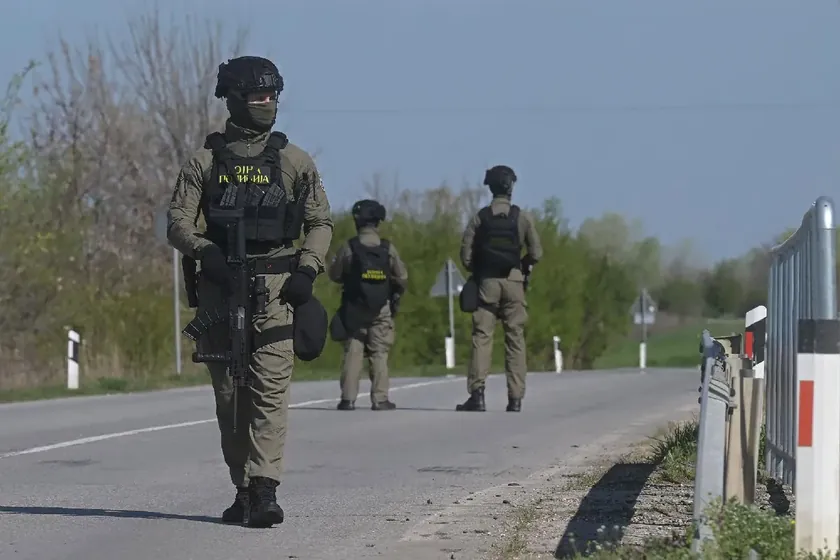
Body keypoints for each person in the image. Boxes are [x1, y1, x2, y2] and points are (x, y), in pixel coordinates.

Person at [167, 56, 333, 527]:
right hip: (222, 290)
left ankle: (264, 490)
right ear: (235, 99)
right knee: (228, 398)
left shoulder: (295, 161)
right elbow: (177, 222)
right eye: (259, 96)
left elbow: (320, 222)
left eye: (273, 96)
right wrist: (205, 252)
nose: (268, 104)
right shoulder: (203, 162)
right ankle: (242, 487)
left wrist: (307, 269)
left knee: (270, 392)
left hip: (278, 290)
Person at [456, 165, 542, 413]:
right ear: (511, 187)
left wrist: (480, 269)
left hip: (487, 284)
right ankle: (515, 399)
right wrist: (523, 266)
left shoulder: (480, 217)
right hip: (514, 283)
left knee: (482, 338)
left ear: (491, 188)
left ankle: (478, 395)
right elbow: (536, 252)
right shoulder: (522, 217)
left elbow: (466, 255)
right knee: (515, 340)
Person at [327, 199, 408, 411]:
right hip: (381, 309)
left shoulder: (349, 247)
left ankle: (348, 399)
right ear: (377, 222)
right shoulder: (388, 249)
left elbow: (334, 273)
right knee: (379, 353)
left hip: (354, 308)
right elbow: (402, 277)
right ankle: (380, 399)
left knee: (353, 352)